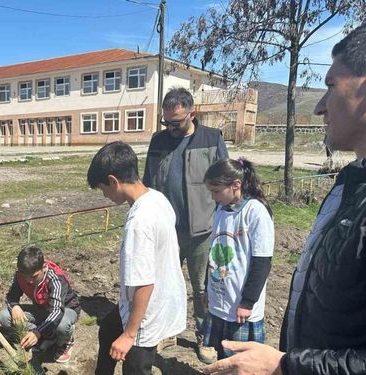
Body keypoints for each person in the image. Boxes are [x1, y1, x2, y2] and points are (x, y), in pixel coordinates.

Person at [204, 24, 366, 375]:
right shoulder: (349, 183)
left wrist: (285, 366)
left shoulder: (257, 213)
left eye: (330, 87)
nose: (319, 107)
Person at [142, 87, 228, 362]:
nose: (170, 128)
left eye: (176, 122)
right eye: (166, 122)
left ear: (192, 113)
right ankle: (168, 330)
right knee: (166, 283)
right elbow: (147, 182)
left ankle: (205, 335)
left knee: (202, 287)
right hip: (166, 230)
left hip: (201, 230)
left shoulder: (212, 139)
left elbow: (226, 180)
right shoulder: (158, 141)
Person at [88, 141, 187, 375]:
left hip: (145, 314)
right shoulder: (156, 198)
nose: (105, 195)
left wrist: (130, 334)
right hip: (154, 299)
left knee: (135, 366)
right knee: (108, 330)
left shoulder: (139, 223)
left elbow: (144, 282)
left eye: (104, 189)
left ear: (114, 181)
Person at [200, 158, 274, 363]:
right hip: (220, 298)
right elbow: (215, 251)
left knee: (241, 361)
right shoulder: (221, 210)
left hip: (240, 305)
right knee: (222, 357)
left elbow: (262, 262)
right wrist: (208, 287)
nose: (213, 197)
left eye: (216, 191)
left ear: (236, 185)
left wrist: (247, 302)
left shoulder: (255, 212)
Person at [0, 245, 80, 364]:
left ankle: (65, 340)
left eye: (34, 276)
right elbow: (11, 296)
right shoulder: (21, 275)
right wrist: (14, 306)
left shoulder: (55, 279)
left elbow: (57, 311)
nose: (29, 281)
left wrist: (37, 332)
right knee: (4, 316)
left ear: (44, 266)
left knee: (62, 325)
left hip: (65, 310)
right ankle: (46, 335)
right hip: (42, 309)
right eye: (26, 277)